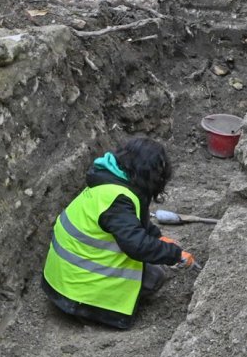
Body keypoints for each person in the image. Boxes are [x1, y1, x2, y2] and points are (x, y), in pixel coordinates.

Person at [42, 137, 196, 329]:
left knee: (150, 267)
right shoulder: (118, 201)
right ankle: (95, 312)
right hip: (77, 292)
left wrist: (157, 237)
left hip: (63, 279)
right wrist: (173, 254)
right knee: (154, 278)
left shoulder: (109, 182)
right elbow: (136, 245)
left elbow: (134, 222)